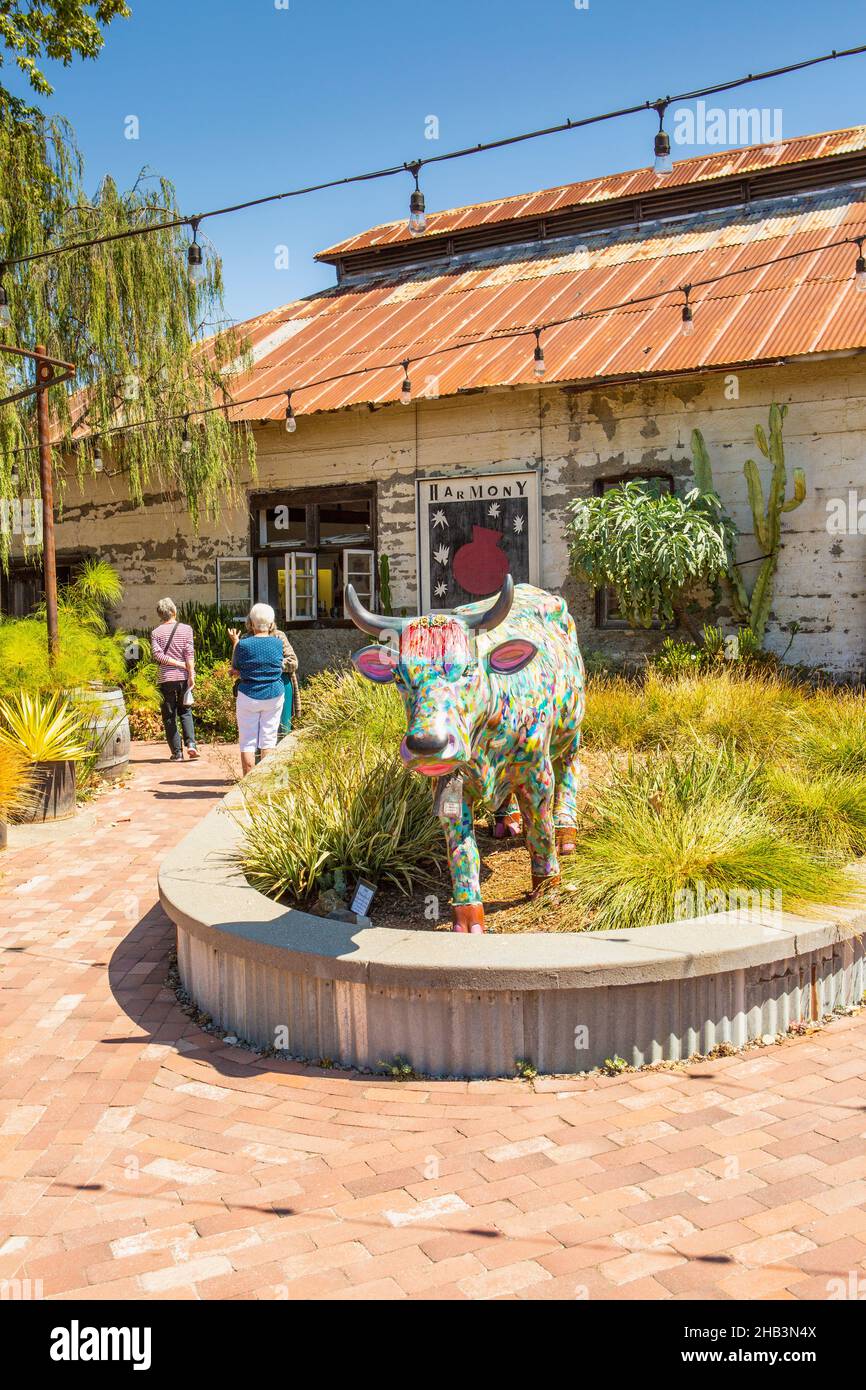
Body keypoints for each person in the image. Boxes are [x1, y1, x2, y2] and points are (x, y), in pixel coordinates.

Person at [228, 603, 285, 775]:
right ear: (271, 623)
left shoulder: (243, 644)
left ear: (251, 622)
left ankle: (247, 783)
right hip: (274, 694)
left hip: (249, 694)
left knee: (247, 741)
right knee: (269, 740)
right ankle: (265, 781)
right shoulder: (278, 643)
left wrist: (235, 644)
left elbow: (235, 667)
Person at [150, 597, 199, 762]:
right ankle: (191, 744)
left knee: (169, 716)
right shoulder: (186, 629)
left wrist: (175, 663)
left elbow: (158, 655)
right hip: (184, 676)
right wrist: (191, 673)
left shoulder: (156, 633)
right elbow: (189, 653)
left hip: (165, 679)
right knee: (186, 711)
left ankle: (177, 753)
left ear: (160, 614)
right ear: (174, 611)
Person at [269, 619, 301, 737]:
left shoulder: (278, 635)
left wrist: (270, 664)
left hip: (281, 682)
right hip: (254, 689)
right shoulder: (247, 638)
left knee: (282, 729)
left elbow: (293, 662)